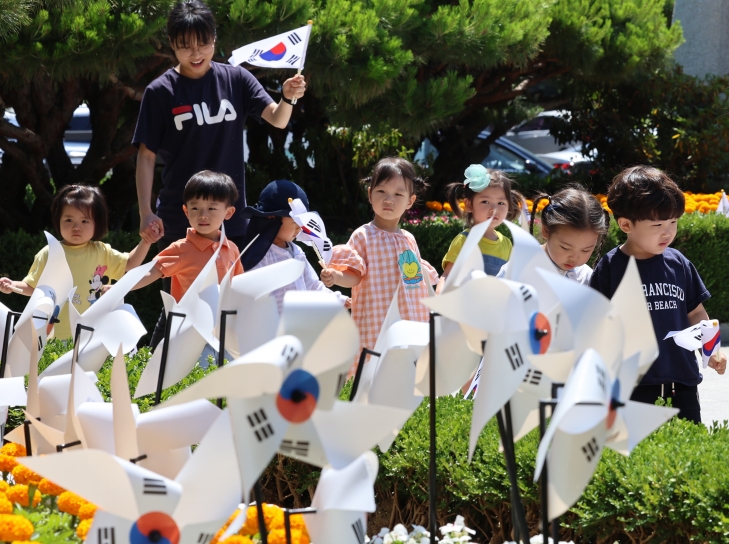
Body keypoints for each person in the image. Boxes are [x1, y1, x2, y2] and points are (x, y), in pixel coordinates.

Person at [133, 0, 307, 251]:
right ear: (172, 44)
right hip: (179, 219)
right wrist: (145, 212)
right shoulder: (159, 91)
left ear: (214, 38)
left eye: (203, 44)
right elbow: (146, 156)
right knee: (179, 292)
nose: (196, 53)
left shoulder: (236, 78)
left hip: (230, 219)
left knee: (230, 290)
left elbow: (278, 119)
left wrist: (288, 96)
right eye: (186, 46)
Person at [589, 166, 727, 423]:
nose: (668, 232)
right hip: (631, 387)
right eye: (657, 224)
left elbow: (696, 312)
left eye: (673, 222)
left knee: (687, 453)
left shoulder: (679, 263)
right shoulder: (611, 267)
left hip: (682, 383)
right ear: (626, 224)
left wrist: (712, 350)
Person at [321, 157, 439, 366]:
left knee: (405, 372)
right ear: (370, 194)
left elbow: (418, 280)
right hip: (376, 319)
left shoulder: (408, 239)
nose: (388, 199)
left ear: (410, 201)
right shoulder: (363, 236)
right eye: (381, 192)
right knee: (372, 371)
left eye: (398, 194)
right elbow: (355, 276)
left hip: (409, 319)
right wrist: (337, 276)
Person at [0, 185, 151, 340]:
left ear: (97, 223)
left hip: (93, 333)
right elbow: (34, 288)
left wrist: (146, 242)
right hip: (54, 335)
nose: (76, 227)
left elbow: (131, 263)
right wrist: (13, 285)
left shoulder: (102, 251)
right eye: (69, 220)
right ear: (58, 220)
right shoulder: (49, 253)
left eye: (85, 220)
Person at [238, 179, 347, 313]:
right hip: (271, 327)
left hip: (299, 324)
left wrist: (339, 300)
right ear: (272, 218)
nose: (299, 230)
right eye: (296, 224)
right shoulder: (260, 255)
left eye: (302, 226)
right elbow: (252, 294)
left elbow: (313, 286)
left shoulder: (297, 251)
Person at [133, 170, 244, 301]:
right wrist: (118, 289)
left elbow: (239, 285)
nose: (203, 215)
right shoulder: (181, 248)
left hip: (225, 320)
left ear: (229, 212)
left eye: (212, 208)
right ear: (186, 211)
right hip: (190, 320)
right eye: (195, 208)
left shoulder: (232, 249)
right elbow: (151, 272)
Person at [497, 185, 609, 284]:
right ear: (546, 230)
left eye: (586, 250)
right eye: (565, 248)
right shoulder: (516, 272)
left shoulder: (585, 278)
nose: (574, 258)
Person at [437, 164, 520, 291]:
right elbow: (448, 275)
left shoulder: (507, 244)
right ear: (469, 205)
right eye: (485, 202)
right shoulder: (464, 241)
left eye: (501, 203)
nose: (494, 209)